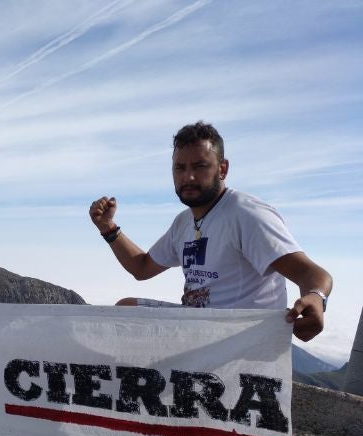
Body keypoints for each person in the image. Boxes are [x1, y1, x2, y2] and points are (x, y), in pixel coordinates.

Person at [89, 121, 332, 342]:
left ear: (222, 169)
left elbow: (312, 274)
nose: (188, 176)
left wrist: (316, 297)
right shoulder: (183, 222)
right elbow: (141, 268)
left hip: (242, 337)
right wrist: (109, 229)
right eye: (180, 168)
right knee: (126, 312)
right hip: (199, 326)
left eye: (200, 166)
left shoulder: (247, 215)